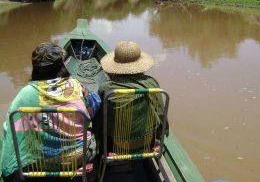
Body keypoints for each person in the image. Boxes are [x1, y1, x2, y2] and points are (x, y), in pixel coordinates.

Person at [1, 43, 101, 181]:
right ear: (61, 65)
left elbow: (11, 128)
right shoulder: (76, 86)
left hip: (40, 160)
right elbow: (95, 106)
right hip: (79, 156)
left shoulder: (25, 94)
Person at [94, 41, 167, 151]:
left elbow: (99, 119)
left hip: (116, 144)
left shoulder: (107, 88)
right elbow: (161, 113)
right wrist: (160, 136)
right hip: (147, 141)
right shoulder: (151, 83)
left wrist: (96, 137)